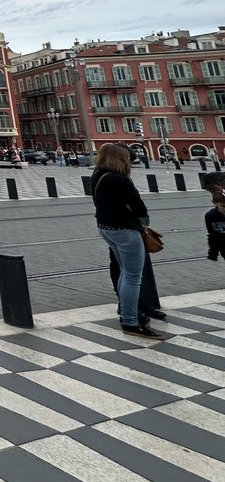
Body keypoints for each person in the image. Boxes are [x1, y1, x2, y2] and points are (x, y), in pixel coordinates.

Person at [91, 142, 161, 338]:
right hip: (125, 230)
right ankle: (130, 320)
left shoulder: (97, 175)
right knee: (132, 276)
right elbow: (139, 208)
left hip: (106, 228)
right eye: (128, 159)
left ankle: (125, 309)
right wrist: (132, 211)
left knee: (124, 272)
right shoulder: (119, 180)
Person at [204, 172, 225, 261]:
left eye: (213, 190)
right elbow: (213, 235)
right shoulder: (212, 216)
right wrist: (213, 251)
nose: (213, 193)